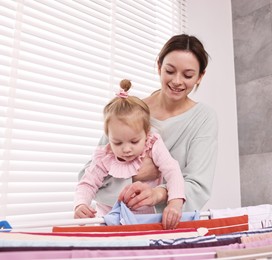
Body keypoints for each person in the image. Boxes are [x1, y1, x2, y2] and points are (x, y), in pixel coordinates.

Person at [79, 34, 218, 220]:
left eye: (188, 75)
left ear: (200, 76)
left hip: (168, 222)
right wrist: (134, 176)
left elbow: (197, 185)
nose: (177, 81)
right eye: (170, 71)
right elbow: (89, 176)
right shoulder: (132, 111)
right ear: (159, 66)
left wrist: (158, 194)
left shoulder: (204, 118)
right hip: (118, 220)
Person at [74, 79, 185, 230]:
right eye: (118, 143)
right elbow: (87, 183)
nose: (126, 149)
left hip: (145, 220)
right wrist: (81, 204)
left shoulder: (152, 144)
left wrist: (175, 203)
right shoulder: (105, 155)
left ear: (146, 133)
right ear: (108, 137)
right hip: (109, 220)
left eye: (134, 141)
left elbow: (172, 170)